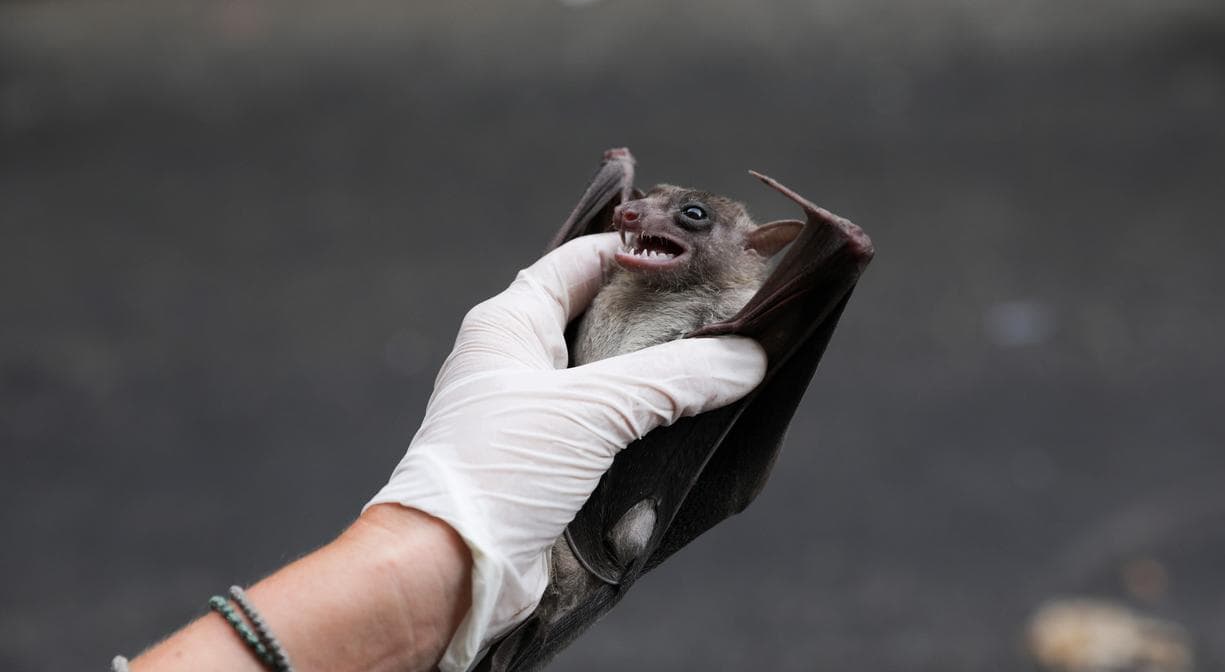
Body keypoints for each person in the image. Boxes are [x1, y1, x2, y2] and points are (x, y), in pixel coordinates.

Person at [118, 232, 767, 672]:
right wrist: (446, 547)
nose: (643, 219)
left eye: (685, 217)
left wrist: (433, 553)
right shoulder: (618, 276)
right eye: (639, 209)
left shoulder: (738, 292)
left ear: (746, 246)